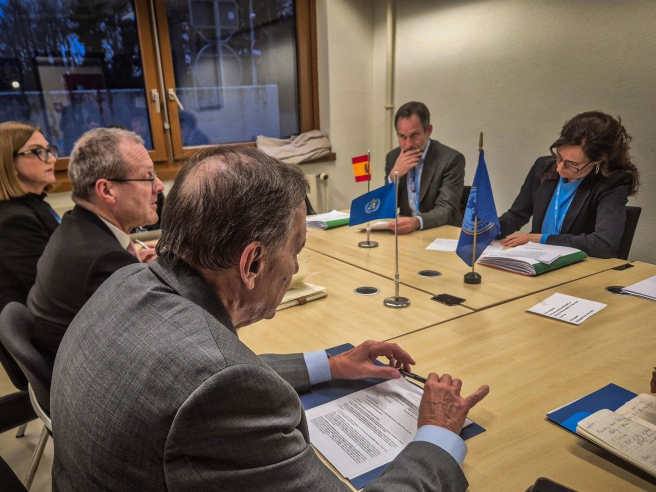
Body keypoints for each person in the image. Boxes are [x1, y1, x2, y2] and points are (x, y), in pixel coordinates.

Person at [51, 146, 489, 491]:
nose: (295, 267)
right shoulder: (219, 388)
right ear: (253, 263)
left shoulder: (126, 281)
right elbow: (212, 381)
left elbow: (200, 374)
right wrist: (436, 436)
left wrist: (332, 365)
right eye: (295, 250)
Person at [28, 127, 163, 369]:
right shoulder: (103, 259)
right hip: (99, 377)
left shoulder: (75, 227)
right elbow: (160, 330)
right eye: (148, 177)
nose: (159, 186)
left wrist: (135, 264)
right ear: (107, 190)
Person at [498, 111, 640, 258]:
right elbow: (517, 215)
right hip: (535, 258)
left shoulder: (613, 182)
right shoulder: (543, 166)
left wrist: (538, 238)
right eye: (559, 157)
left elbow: (603, 244)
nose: (559, 168)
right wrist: (489, 229)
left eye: (573, 164)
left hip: (580, 264)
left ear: (598, 160)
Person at [0, 122, 60, 313]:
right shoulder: (14, 221)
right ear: (9, 162)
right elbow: (51, 287)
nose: (51, 159)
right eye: (37, 152)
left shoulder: (35, 204)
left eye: (49, 150)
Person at [384, 101, 465, 234]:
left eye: (414, 135)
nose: (408, 144)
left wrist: (417, 222)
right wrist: (394, 177)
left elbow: (446, 209)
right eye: (402, 136)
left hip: (442, 232)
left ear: (428, 130)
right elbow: (386, 208)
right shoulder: (393, 158)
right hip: (408, 234)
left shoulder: (451, 159)